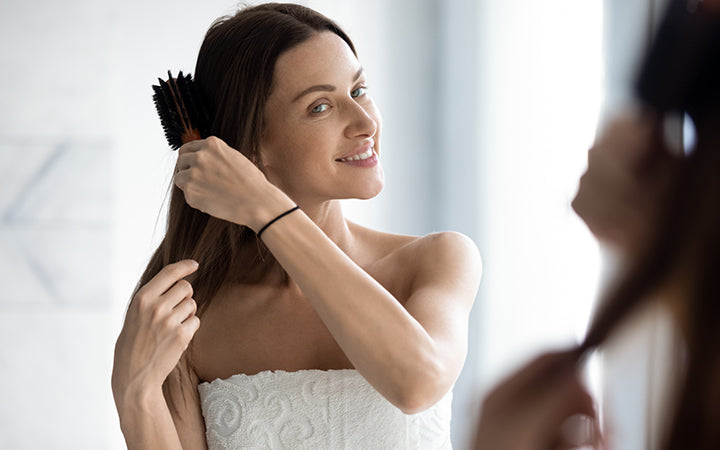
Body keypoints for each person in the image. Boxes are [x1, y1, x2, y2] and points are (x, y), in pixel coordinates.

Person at [111, 3, 481, 449]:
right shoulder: (189, 310)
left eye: (359, 89)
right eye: (320, 106)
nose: (366, 123)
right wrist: (134, 394)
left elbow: (417, 382)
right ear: (252, 145)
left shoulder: (437, 260)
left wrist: (266, 210)